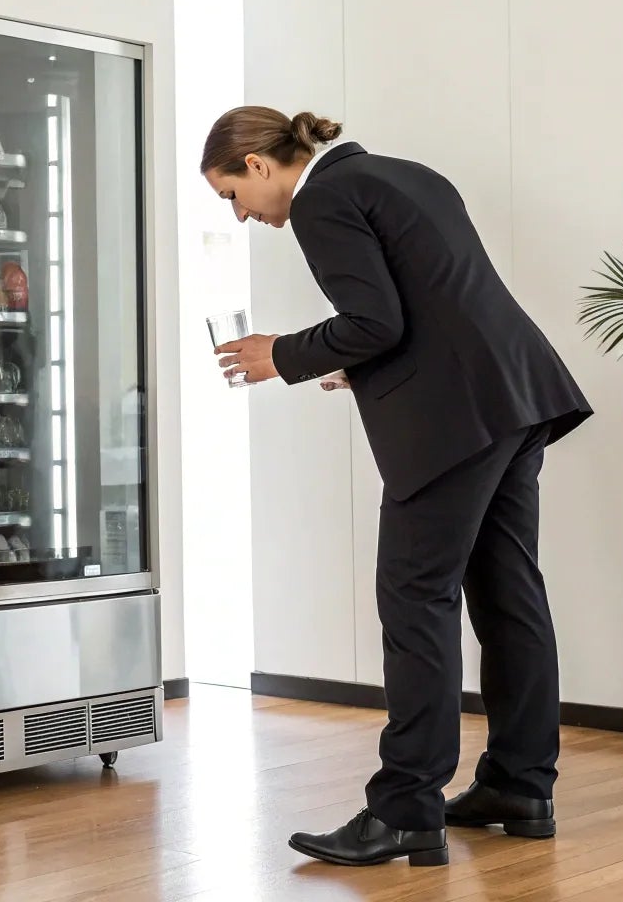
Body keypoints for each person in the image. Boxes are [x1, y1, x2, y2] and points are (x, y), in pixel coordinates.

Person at [203, 107, 592, 868]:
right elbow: (432, 303)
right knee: (509, 593)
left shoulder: (321, 200)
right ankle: (520, 785)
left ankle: (407, 809)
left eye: (231, 196)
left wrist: (280, 353)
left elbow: (375, 319)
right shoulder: (400, 172)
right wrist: (360, 364)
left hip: (455, 421)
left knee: (415, 599)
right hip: (516, 396)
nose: (243, 214)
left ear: (257, 165)